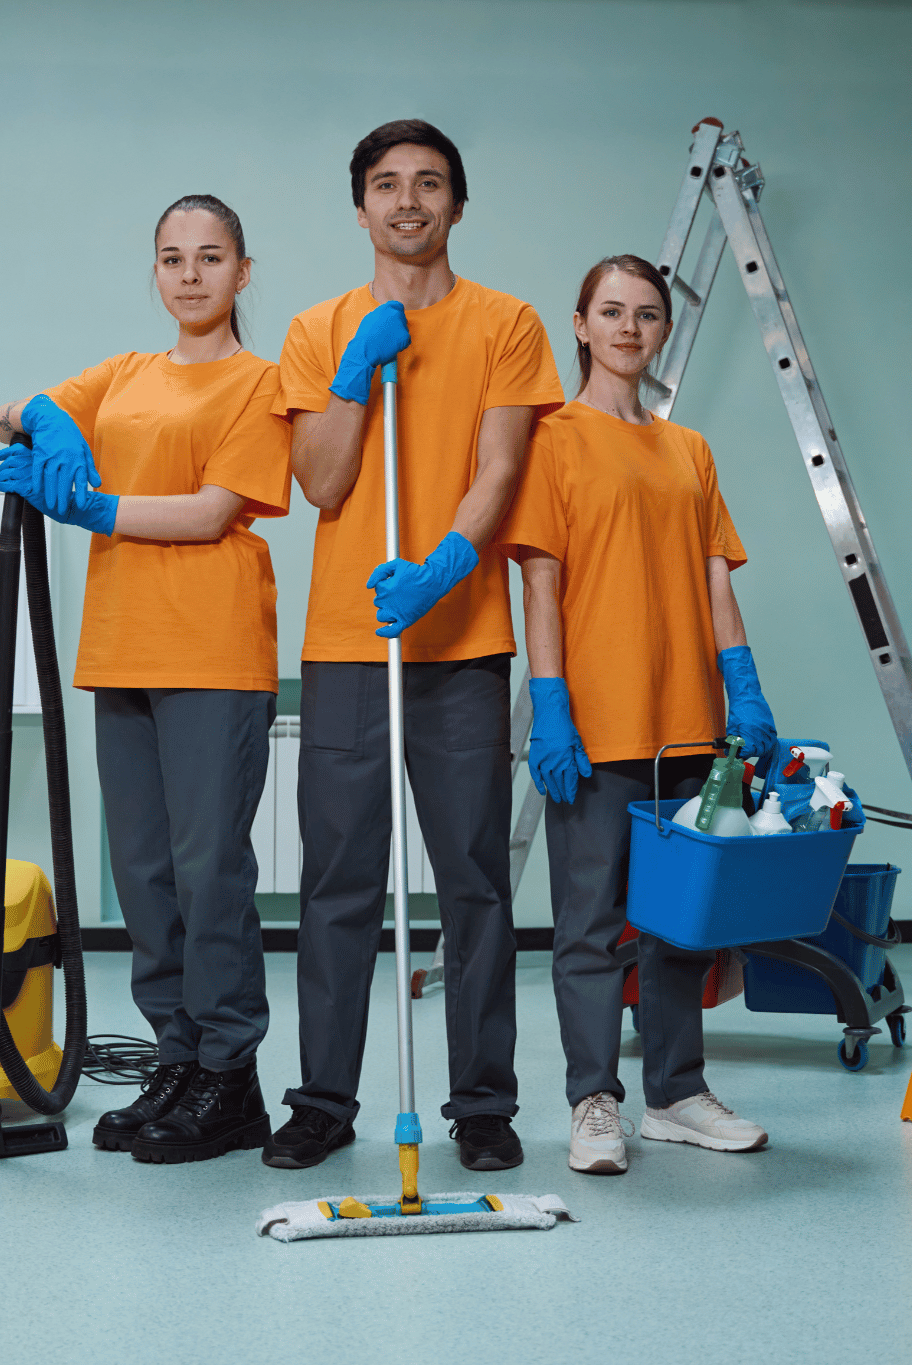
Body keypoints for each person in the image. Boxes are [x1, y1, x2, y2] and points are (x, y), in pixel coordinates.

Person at [262, 119, 564, 1172]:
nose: (406, 201)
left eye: (428, 183)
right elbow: (326, 485)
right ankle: (322, 1101)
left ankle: (482, 1104)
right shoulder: (315, 329)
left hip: (462, 641)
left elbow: (500, 471)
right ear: (359, 208)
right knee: (338, 880)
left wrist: (440, 566)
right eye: (386, 185)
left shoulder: (507, 323)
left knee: (473, 877)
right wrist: (352, 376)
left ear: (456, 204)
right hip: (349, 640)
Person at [0, 195, 290, 1164]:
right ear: (154, 273)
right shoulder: (120, 375)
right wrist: (38, 416)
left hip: (211, 651)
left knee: (208, 874)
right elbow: (7, 414)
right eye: (170, 258)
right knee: (144, 877)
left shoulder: (259, 384)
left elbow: (209, 514)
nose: (189, 274)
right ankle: (176, 1056)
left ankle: (229, 1073)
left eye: (209, 256)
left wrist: (92, 501)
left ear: (243, 272)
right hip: (119, 650)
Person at [495, 254, 780, 1174]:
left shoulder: (687, 449)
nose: (628, 328)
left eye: (646, 314)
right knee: (586, 925)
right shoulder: (552, 439)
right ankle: (592, 1101)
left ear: (661, 330)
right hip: (599, 724)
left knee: (679, 921)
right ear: (579, 325)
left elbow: (712, 579)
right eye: (610, 312)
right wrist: (550, 704)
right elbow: (542, 583)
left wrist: (743, 684)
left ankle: (676, 1094)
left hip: (688, 727)